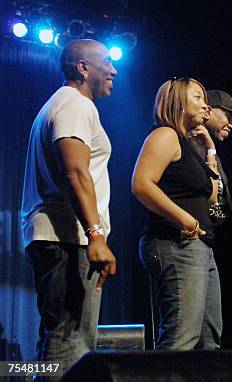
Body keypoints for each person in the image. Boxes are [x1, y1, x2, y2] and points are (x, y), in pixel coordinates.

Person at [20, 39, 117, 377]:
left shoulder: (61, 104)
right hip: (68, 237)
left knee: (61, 339)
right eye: (106, 61)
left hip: (62, 236)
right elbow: (75, 172)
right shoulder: (75, 104)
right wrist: (96, 235)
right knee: (70, 343)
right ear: (83, 67)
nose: (113, 69)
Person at [132, 77, 221, 350]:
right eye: (197, 98)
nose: (206, 107)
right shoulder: (165, 135)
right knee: (180, 339)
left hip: (199, 245)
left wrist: (210, 150)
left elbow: (212, 195)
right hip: (176, 243)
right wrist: (184, 218)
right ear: (177, 103)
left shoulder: (188, 146)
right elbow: (141, 183)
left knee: (209, 339)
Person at [188, 90, 232, 349]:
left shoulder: (210, 148)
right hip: (199, 245)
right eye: (229, 116)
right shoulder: (187, 144)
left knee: (226, 328)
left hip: (222, 248)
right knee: (191, 333)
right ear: (208, 110)